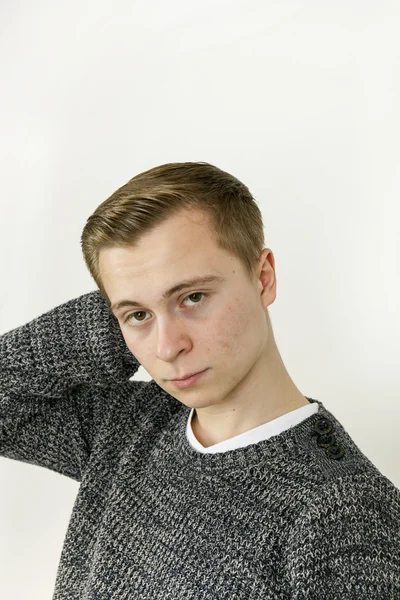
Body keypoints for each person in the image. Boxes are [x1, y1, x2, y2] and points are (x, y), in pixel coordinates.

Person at [1, 161, 399, 599]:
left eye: (192, 297)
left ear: (262, 277)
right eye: (137, 316)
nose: (168, 347)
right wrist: (110, 321)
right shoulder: (126, 425)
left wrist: (140, 303)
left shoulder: (345, 513)